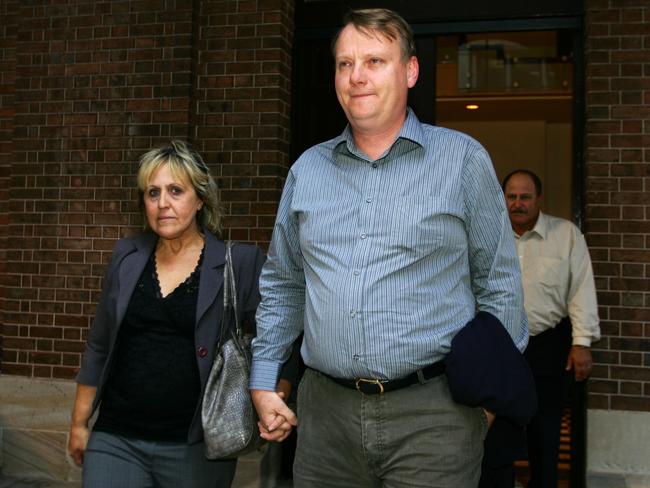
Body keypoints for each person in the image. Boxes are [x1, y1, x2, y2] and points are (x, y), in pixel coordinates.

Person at [250, 8, 529, 488]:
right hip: (325, 425)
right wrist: (262, 378)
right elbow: (284, 284)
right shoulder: (307, 171)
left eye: (375, 61)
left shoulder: (462, 160)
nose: (356, 76)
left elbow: (499, 283)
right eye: (344, 63)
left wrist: (485, 403)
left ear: (410, 71)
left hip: (434, 416)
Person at [67, 140, 265, 488]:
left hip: (196, 449)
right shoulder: (127, 257)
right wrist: (79, 424)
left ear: (200, 198)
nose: (163, 204)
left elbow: (274, 340)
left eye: (176, 191)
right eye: (152, 192)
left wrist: (273, 395)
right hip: (116, 439)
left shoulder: (241, 263)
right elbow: (99, 345)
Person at [498, 169, 600, 488]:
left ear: (539, 199)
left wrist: (581, 342)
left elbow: (581, 288)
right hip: (499, 348)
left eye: (525, 197)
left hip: (548, 344)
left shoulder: (566, 234)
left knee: (546, 429)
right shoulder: (490, 234)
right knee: (498, 429)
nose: (518, 204)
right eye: (511, 197)